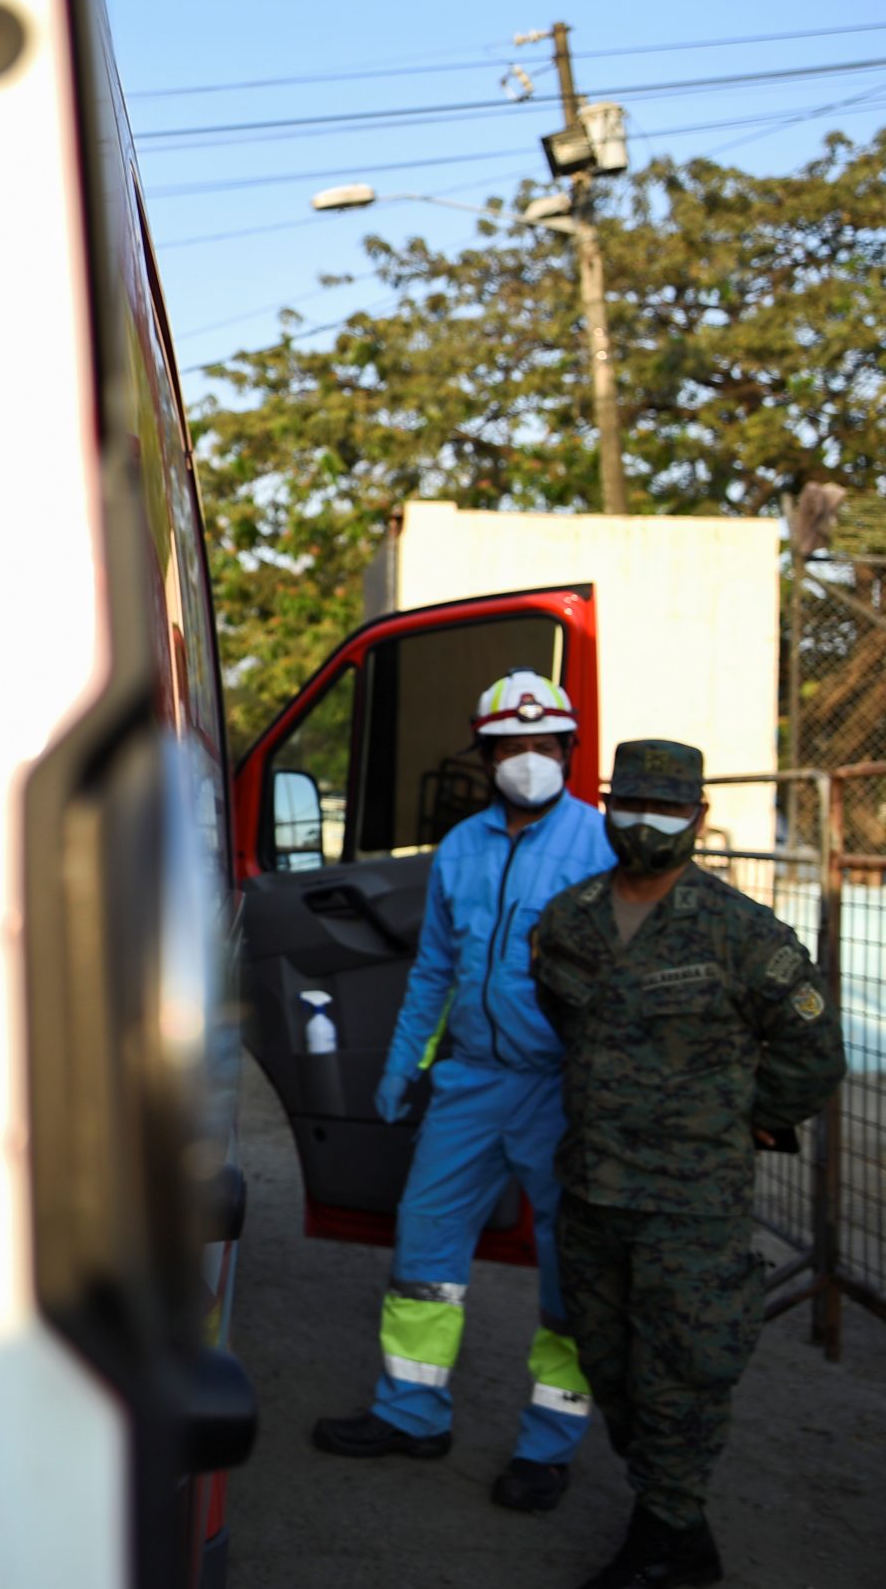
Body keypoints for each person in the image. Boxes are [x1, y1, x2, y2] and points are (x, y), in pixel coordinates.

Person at [533, 741, 845, 1588]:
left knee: (683, 1368)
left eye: (667, 808)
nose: (647, 822)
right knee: (608, 1361)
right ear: (606, 807)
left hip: (690, 1200)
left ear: (698, 819)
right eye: (631, 804)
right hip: (592, 1187)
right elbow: (564, 1014)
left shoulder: (742, 932)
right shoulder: (569, 918)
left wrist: (745, 1119)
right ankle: (675, 1516)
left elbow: (813, 1053)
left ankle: (667, 1535)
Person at [313, 669, 615, 1512]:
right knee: (424, 1251)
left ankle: (548, 1446)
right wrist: (402, 1064)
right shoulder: (462, 847)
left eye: (543, 745)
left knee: (571, 1274)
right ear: (486, 757)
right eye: (511, 746)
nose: (528, 758)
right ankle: (411, 1411)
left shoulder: (599, 846)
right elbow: (436, 969)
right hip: (470, 1083)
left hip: (561, 1087)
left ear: (567, 752)